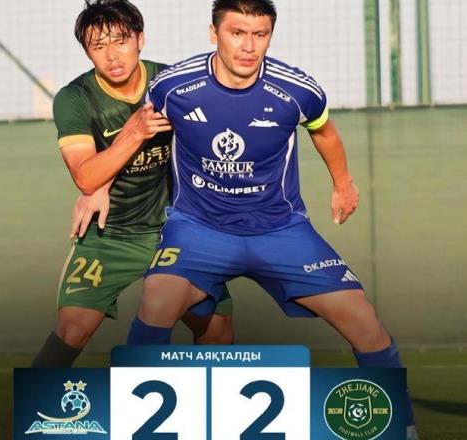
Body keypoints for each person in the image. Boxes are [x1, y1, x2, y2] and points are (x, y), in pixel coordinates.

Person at [125, 0, 418, 438]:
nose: (249, 46)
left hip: (281, 230)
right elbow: (138, 137)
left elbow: (324, 131)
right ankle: (135, 427)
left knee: (364, 321)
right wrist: (94, 190)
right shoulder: (172, 86)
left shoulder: (297, 89)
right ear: (214, 33)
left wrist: (343, 184)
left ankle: (404, 428)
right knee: (155, 304)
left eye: (260, 35)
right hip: (198, 229)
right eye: (237, 33)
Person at [31, 0, 233, 368]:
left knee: (216, 329)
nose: (112, 55)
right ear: (87, 52)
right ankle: (34, 404)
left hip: (175, 232)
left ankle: (208, 402)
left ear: (140, 39)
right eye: (98, 46)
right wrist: (133, 134)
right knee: (72, 328)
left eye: (121, 41)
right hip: (109, 235)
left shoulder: (172, 85)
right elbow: (86, 176)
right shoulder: (75, 99)